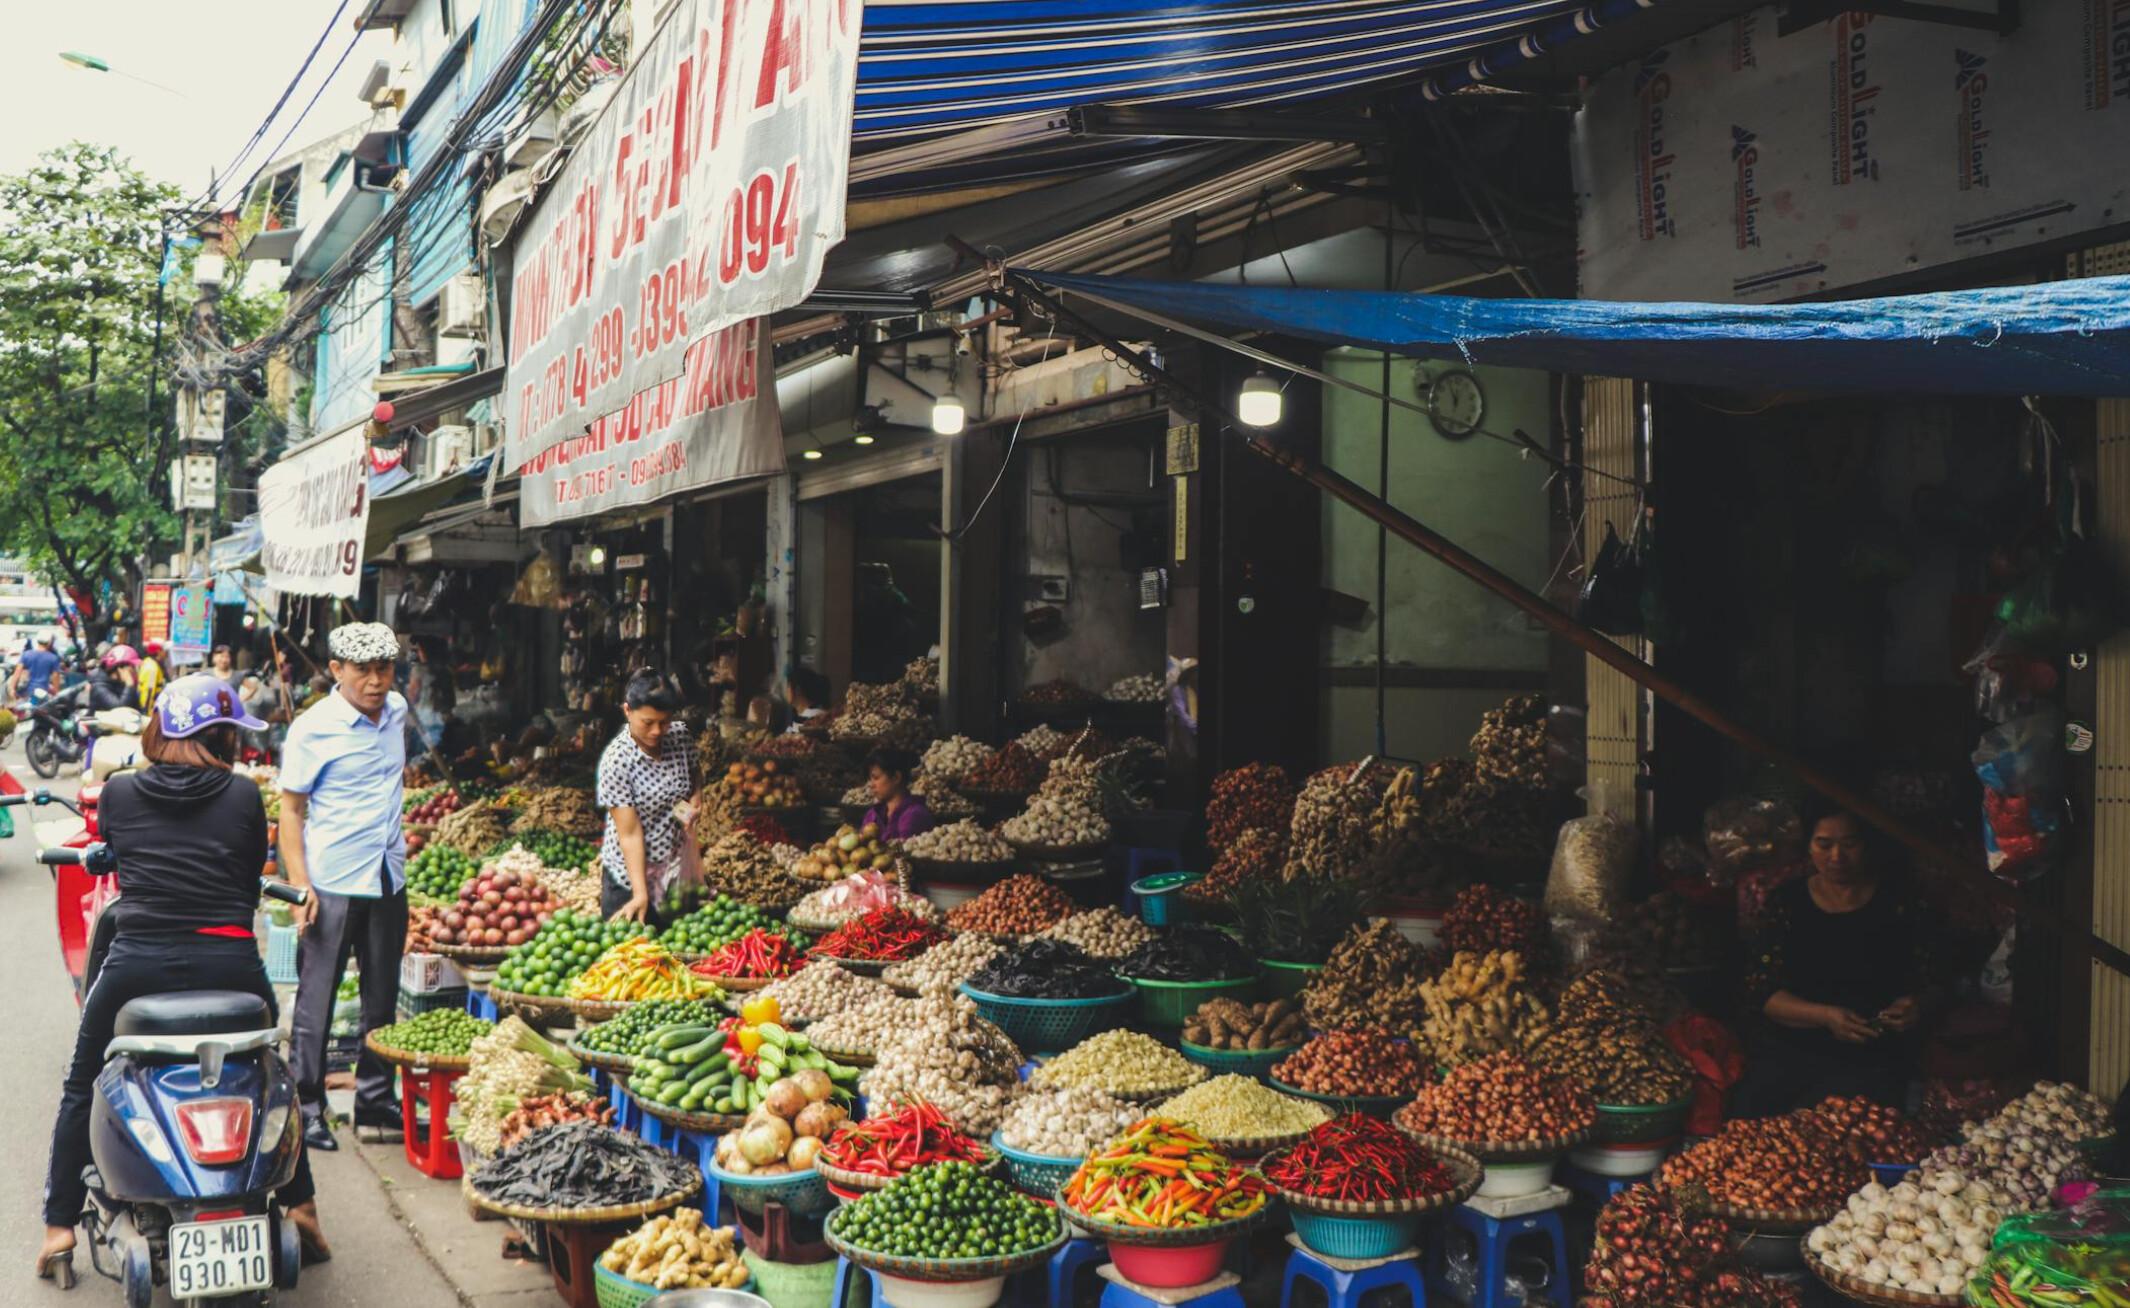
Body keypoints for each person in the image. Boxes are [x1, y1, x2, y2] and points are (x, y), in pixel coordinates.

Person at [36, 675, 329, 1284]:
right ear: (219, 735)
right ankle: (301, 1206)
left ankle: (59, 1226)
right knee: (276, 1070)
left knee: (82, 1080)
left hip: (137, 965)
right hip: (232, 965)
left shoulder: (118, 794)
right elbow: (252, 871)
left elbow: (110, 850)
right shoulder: (245, 797)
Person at [278, 623, 409, 1151]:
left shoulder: (397, 711)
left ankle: (376, 1099)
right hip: (331, 881)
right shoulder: (314, 729)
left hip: (386, 876)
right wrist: (299, 885)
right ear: (336, 671)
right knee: (317, 1001)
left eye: (385, 669)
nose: (376, 681)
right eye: (363, 670)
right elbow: (290, 811)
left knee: (381, 999)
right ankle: (306, 1107)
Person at [1733, 803, 1935, 1117]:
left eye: (1849, 844)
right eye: (1824, 845)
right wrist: (1827, 1016)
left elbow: (1931, 981)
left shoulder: (1901, 902)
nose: (1837, 857)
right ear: (1809, 848)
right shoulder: (1786, 903)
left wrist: (1914, 1006)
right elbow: (1764, 994)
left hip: (1872, 1055)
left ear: (1867, 845)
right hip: (1791, 1050)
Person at [595, 672, 702, 924]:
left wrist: (697, 798)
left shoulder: (680, 737)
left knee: (673, 955)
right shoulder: (617, 761)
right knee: (627, 957)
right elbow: (629, 834)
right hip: (629, 880)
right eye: (648, 722)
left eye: (664, 722)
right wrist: (640, 894)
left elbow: (695, 772)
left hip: (672, 876)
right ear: (627, 711)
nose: (657, 731)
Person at [861, 747, 934, 842]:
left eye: (876, 778)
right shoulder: (872, 815)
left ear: (896, 777)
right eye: (870, 779)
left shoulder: (915, 816)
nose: (871, 785)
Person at [405, 637, 454, 751]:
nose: (418, 652)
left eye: (419, 649)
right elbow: (451, 700)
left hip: (424, 721)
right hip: (443, 720)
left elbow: (413, 697)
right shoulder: (446, 671)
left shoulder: (418, 670)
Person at [86, 645, 139, 712]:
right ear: (120, 668)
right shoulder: (99, 686)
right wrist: (129, 685)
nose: (134, 670)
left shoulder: (120, 683)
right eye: (132, 667)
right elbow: (119, 710)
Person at [12, 632, 60, 704]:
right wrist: (56, 692)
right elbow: (55, 677)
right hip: (43, 691)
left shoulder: (26, 654)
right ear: (49, 642)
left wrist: (12, 688)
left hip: (26, 691)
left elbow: (17, 673)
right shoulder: (53, 658)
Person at [784, 667, 829, 733]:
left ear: (797, 690)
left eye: (788, 686)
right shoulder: (799, 716)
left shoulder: (815, 717)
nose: (785, 691)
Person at [135, 641, 167, 712]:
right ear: (158, 651)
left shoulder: (149, 662)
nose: (166, 653)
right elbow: (148, 692)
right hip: (149, 711)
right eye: (164, 650)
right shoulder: (152, 668)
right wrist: (147, 713)